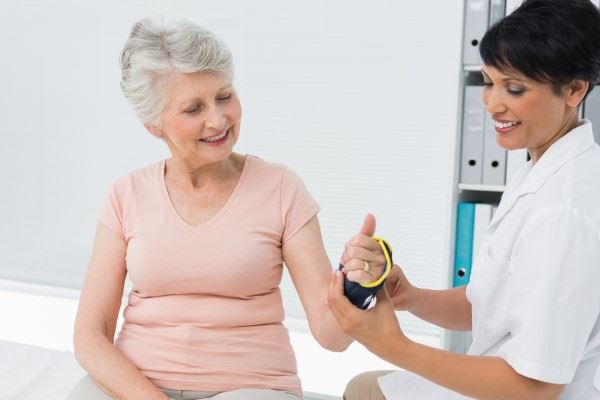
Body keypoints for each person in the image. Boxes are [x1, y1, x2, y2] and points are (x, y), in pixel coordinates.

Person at [67, 19, 387, 400]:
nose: (218, 120)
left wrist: (359, 286)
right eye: (193, 108)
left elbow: (330, 336)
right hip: (138, 385)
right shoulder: (126, 194)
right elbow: (90, 335)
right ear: (154, 124)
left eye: (224, 96)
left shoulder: (281, 187)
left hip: (251, 386)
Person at [328, 0, 600, 399]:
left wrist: (394, 346)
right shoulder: (543, 167)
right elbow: (494, 309)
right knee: (365, 389)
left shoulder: (563, 210)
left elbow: (536, 388)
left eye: (515, 88)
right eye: (488, 82)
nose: (492, 103)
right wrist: (411, 297)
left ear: (575, 90)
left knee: (366, 392)